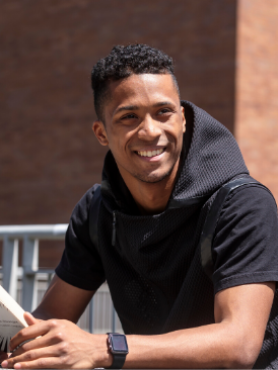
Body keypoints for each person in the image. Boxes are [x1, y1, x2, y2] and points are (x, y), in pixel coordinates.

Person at [1, 44, 278, 369]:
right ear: (101, 133)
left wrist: (104, 348)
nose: (150, 131)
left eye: (163, 112)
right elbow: (49, 318)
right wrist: (15, 345)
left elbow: (239, 344)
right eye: (129, 117)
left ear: (184, 119)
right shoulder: (97, 212)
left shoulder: (242, 204)